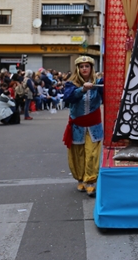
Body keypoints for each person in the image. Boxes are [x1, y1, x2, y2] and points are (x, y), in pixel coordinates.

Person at [62, 56, 103, 198]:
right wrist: (82, 90)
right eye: (81, 66)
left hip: (94, 126)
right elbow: (68, 98)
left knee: (92, 154)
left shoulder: (98, 83)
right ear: (77, 69)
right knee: (78, 154)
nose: (84, 68)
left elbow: (109, 93)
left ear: (92, 68)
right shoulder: (71, 84)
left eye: (87, 66)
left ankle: (90, 181)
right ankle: (80, 178)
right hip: (77, 126)